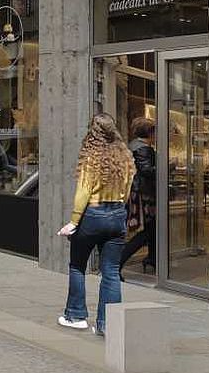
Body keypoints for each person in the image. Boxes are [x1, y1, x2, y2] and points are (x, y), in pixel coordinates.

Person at [57, 112, 136, 336]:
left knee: (77, 266)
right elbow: (128, 191)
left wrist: (73, 221)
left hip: (93, 213)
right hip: (117, 214)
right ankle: (108, 325)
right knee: (110, 271)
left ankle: (76, 315)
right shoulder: (125, 157)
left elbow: (83, 192)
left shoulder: (91, 158)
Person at [118, 117, 157, 281]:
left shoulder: (132, 145)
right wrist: (168, 166)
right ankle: (117, 263)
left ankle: (152, 259)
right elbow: (147, 171)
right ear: (149, 132)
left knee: (153, 229)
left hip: (137, 193)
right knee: (146, 232)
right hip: (144, 196)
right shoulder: (143, 149)